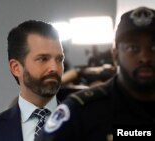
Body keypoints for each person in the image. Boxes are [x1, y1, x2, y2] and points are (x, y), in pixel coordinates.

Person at [38, 6, 155, 141]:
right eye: (133, 48)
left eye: (154, 47)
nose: (145, 57)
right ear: (116, 56)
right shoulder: (81, 111)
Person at [0, 20, 65, 141]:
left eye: (59, 60)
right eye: (43, 59)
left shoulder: (87, 125)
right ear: (16, 68)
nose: (54, 68)